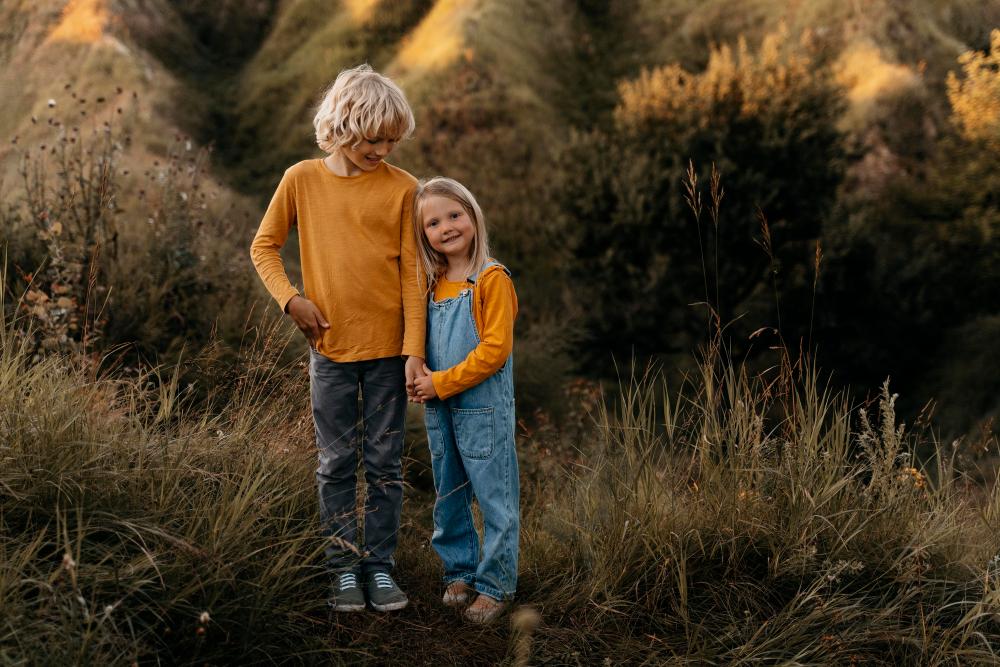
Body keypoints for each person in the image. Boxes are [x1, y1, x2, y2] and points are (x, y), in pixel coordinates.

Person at [250, 64, 426, 613]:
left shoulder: (405, 189)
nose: (383, 149)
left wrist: (414, 351)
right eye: (374, 138)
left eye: (392, 140)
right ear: (342, 126)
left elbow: (413, 277)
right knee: (335, 464)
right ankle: (342, 567)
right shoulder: (300, 179)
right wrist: (292, 299)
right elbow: (264, 246)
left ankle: (379, 568)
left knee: (385, 466)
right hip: (329, 351)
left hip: (388, 354)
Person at [409, 177, 520, 624]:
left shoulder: (491, 280)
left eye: (454, 215)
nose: (446, 226)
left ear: (473, 216)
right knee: (449, 494)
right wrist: (417, 372)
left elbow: (494, 351)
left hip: (483, 408)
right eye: (433, 222)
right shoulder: (432, 283)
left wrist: (443, 383)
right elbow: (419, 336)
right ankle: (459, 571)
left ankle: (496, 584)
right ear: (424, 235)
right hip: (440, 409)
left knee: (495, 497)